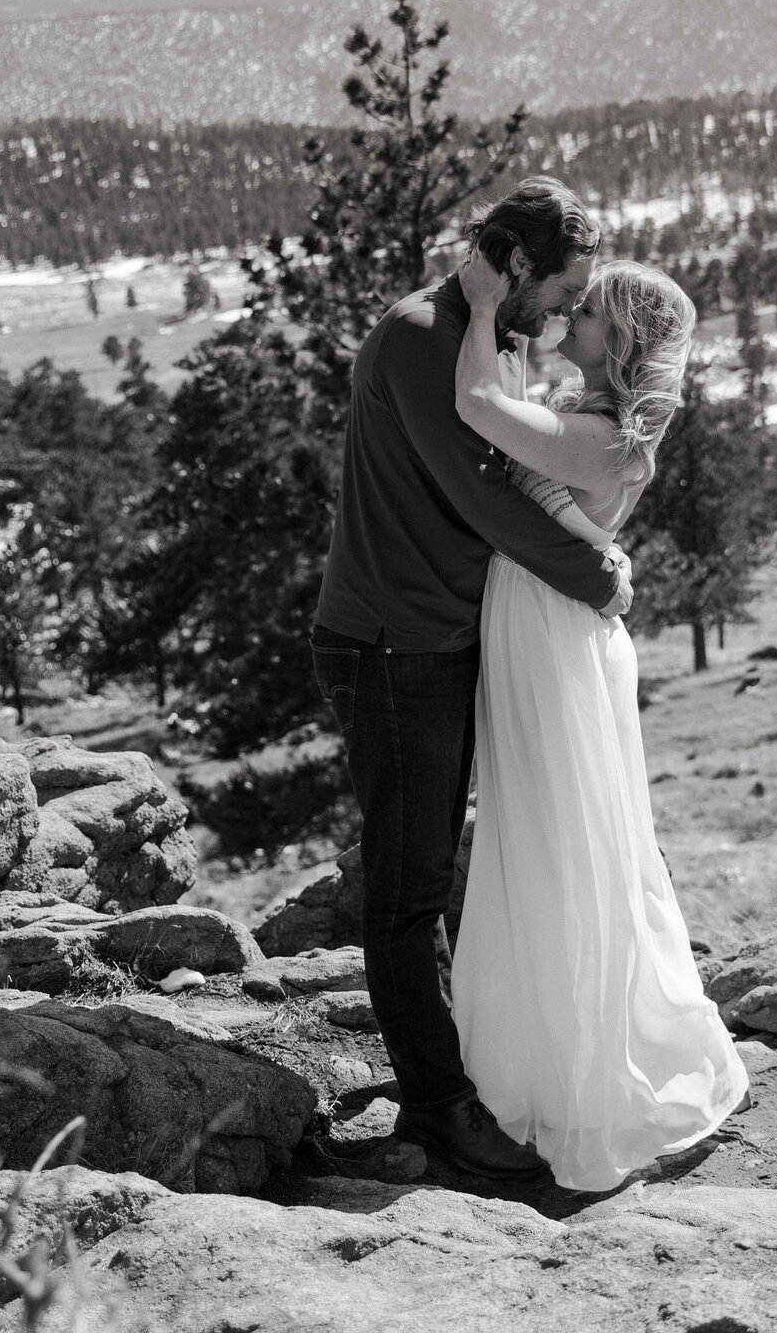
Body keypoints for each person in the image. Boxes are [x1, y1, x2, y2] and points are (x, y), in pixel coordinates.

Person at [311, 176, 634, 1182]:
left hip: (439, 638)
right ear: (520, 264)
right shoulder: (418, 335)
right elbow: (482, 498)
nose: (572, 314)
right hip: (390, 644)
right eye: (567, 290)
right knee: (409, 889)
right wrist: (598, 580)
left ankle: (458, 1071)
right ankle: (439, 1109)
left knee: (439, 873)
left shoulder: (480, 334)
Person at [449, 253, 750, 1192]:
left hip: (548, 635)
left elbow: (476, 411)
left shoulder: (603, 437)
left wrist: (485, 305)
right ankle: (550, 1048)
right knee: (555, 832)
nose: (570, 315)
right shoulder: (591, 419)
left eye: (586, 312)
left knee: (560, 841)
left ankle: (580, 1080)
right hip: (547, 625)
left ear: (617, 340)